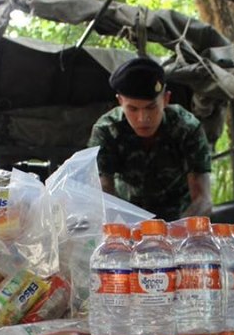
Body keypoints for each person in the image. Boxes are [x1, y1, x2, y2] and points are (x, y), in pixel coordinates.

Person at [88, 57, 213, 221]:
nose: (143, 118)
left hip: (179, 219)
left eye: (151, 107)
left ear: (166, 99)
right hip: (127, 220)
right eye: (132, 109)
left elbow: (202, 200)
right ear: (120, 101)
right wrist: (123, 233)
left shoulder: (187, 128)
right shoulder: (107, 130)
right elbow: (103, 192)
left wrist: (175, 234)